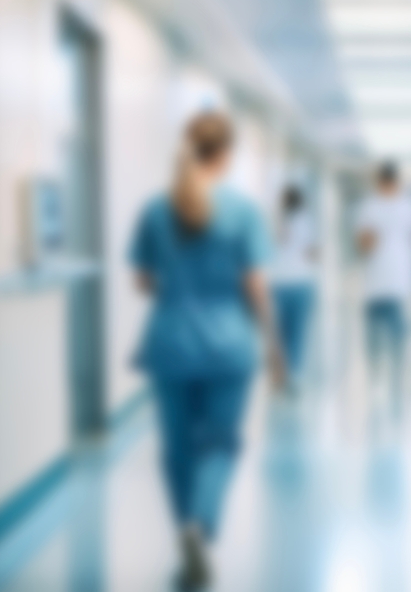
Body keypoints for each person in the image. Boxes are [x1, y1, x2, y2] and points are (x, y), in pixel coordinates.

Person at [130, 112, 285, 591]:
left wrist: (179, 289)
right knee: (220, 442)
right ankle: (201, 521)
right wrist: (275, 348)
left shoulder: (157, 208)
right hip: (229, 345)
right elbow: (255, 285)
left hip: (170, 342)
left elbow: (142, 280)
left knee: (177, 448)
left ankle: (184, 531)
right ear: (227, 154)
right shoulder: (243, 210)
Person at [354, 162, 411, 394]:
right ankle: (397, 376)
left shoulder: (370, 207)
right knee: (398, 330)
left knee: (373, 331)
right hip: (401, 279)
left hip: (376, 280)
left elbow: (365, 243)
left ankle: (376, 377)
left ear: (379, 181)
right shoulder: (410, 206)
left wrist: (368, 245)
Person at [270, 184, 319, 389]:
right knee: (297, 332)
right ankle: (294, 375)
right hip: (301, 283)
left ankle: (279, 376)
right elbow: (315, 252)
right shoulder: (308, 222)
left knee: (278, 332)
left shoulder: (275, 222)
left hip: (279, 283)